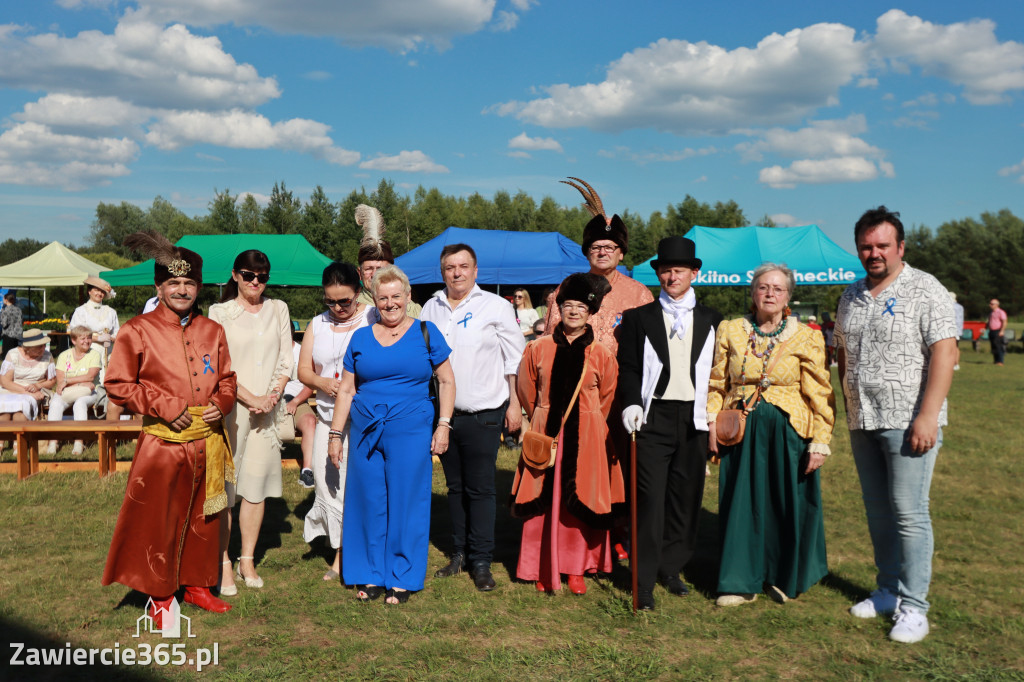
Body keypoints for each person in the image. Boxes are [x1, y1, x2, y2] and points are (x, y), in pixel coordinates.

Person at [835, 206, 957, 644]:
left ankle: (914, 605)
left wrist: (927, 415)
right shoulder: (850, 295)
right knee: (878, 511)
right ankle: (887, 589)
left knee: (909, 513)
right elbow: (842, 353)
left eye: (882, 245)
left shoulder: (927, 289)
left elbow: (945, 353)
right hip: (863, 418)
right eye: (866, 246)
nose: (874, 253)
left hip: (908, 421)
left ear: (900, 247)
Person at [102, 231, 236, 627]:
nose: (182, 290)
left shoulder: (213, 331)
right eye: (173, 283)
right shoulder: (137, 330)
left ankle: (197, 585)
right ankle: (159, 594)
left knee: (204, 519)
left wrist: (220, 403)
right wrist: (160, 405)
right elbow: (117, 384)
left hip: (206, 442)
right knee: (159, 520)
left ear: (198, 287)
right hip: (163, 445)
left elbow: (227, 378)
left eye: (189, 283)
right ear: (159, 286)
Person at [706, 263, 835, 607]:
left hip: (789, 431)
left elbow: (820, 391)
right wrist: (711, 423)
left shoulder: (807, 335)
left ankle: (782, 576)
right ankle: (739, 580)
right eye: (763, 287)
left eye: (778, 289)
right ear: (752, 292)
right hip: (740, 429)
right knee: (741, 503)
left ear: (788, 296)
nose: (770, 294)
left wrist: (820, 441)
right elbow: (717, 381)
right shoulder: (731, 330)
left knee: (785, 502)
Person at [328, 265, 455, 604]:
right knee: (367, 501)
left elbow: (446, 381)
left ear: (408, 297)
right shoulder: (361, 337)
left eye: (396, 296)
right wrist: (335, 434)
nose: (390, 303)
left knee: (406, 502)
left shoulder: (427, 332)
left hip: (411, 429)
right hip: (367, 430)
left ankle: (402, 576)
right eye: (383, 297)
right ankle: (368, 574)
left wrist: (443, 424)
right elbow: (346, 390)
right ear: (374, 300)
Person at [618, 236, 722, 611]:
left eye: (678, 270)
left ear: (694, 272)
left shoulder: (713, 320)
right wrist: (630, 403)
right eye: (664, 270)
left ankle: (672, 568)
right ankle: (643, 579)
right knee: (649, 499)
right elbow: (628, 366)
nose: (671, 276)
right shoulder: (638, 318)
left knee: (685, 497)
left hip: (694, 418)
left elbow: (719, 372)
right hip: (654, 416)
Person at [421, 244, 526, 591]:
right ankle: (459, 552)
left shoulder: (496, 306)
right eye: (450, 267)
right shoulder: (430, 308)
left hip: (485, 412)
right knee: (454, 488)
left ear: (475, 270)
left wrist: (515, 405)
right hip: (446, 415)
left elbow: (515, 360)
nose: (457, 273)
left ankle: (482, 559)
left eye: (463, 266)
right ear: (442, 272)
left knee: (480, 489)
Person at [510, 273, 624, 595]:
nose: (573, 312)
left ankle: (576, 569)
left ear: (591, 313)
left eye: (580, 307)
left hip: (586, 437)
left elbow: (607, 398)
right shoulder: (537, 348)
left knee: (581, 500)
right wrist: (542, 416)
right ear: (558, 309)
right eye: (568, 305)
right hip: (547, 435)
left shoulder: (601, 354)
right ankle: (540, 566)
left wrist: (588, 423)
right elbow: (526, 389)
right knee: (543, 501)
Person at [208, 250, 293, 595]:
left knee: (255, 489)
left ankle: (247, 559)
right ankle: (222, 561)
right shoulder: (219, 312)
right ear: (235, 275)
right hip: (231, 411)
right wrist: (249, 398)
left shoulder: (279, 309)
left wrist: (271, 396)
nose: (255, 281)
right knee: (228, 491)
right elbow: (217, 365)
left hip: (267, 413)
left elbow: (287, 358)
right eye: (248, 274)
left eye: (262, 276)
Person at [300, 262, 372, 582]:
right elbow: (302, 371)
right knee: (329, 485)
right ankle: (341, 546)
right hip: (327, 415)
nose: (339, 308)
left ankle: (345, 558)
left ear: (358, 292)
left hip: (364, 418)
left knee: (359, 487)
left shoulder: (372, 317)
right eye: (331, 301)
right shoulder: (318, 323)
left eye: (345, 300)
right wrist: (321, 382)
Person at [542, 178, 654, 356]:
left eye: (609, 247)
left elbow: (651, 343)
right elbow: (551, 337)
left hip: (622, 379)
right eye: (596, 247)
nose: (602, 253)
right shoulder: (569, 287)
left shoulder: (639, 294)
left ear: (621, 253)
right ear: (587, 253)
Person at [354, 204, 421, 317]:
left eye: (380, 269)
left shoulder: (413, 309)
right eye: (368, 269)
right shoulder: (351, 309)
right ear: (359, 273)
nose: (374, 274)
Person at [45, 326, 102, 455]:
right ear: (74, 340)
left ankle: (79, 442)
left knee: (80, 403)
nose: (87, 341)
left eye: (89, 338)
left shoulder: (94, 354)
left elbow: (90, 377)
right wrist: (80, 383)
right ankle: (53, 442)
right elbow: (60, 380)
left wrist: (68, 381)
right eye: (83, 338)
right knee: (55, 403)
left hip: (91, 392)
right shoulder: (64, 355)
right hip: (69, 391)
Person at [0, 329, 56, 433]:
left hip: (36, 390)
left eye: (44, 345)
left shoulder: (47, 356)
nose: (43, 348)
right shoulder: (13, 355)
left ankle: (19, 443)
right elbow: (5, 382)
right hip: (11, 389)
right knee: (4, 412)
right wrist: (26, 392)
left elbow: (52, 381)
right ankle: (1, 443)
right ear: (27, 348)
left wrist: (38, 385)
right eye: (39, 346)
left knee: (20, 413)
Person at [284, 335, 316, 488]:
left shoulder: (303, 353)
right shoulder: (267, 351)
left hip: (298, 400)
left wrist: (295, 401)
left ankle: (307, 470)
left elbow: (310, 385)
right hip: (271, 401)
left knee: (310, 421)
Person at [1, 291, 22, 359]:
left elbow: (4, 324)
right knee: (15, 356)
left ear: (6, 300)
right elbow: (21, 321)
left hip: (8, 336)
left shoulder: (5, 311)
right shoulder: (19, 310)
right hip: (17, 335)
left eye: (3, 299)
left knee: (7, 357)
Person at [987, 298, 1007, 366]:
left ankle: (1000, 361)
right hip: (991, 331)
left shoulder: (1001, 312)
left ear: (996, 305)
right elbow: (989, 322)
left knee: (998, 346)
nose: (990, 305)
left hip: (998, 331)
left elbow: (1004, 322)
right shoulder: (991, 313)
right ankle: (995, 361)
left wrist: (1002, 331)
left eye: (992, 304)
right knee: (993, 347)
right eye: (990, 304)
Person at [950, 293, 964, 370]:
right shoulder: (960, 307)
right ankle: (956, 363)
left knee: (951, 347)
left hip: (952, 329)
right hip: (958, 329)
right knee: (956, 346)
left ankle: (952, 363)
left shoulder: (950, 306)